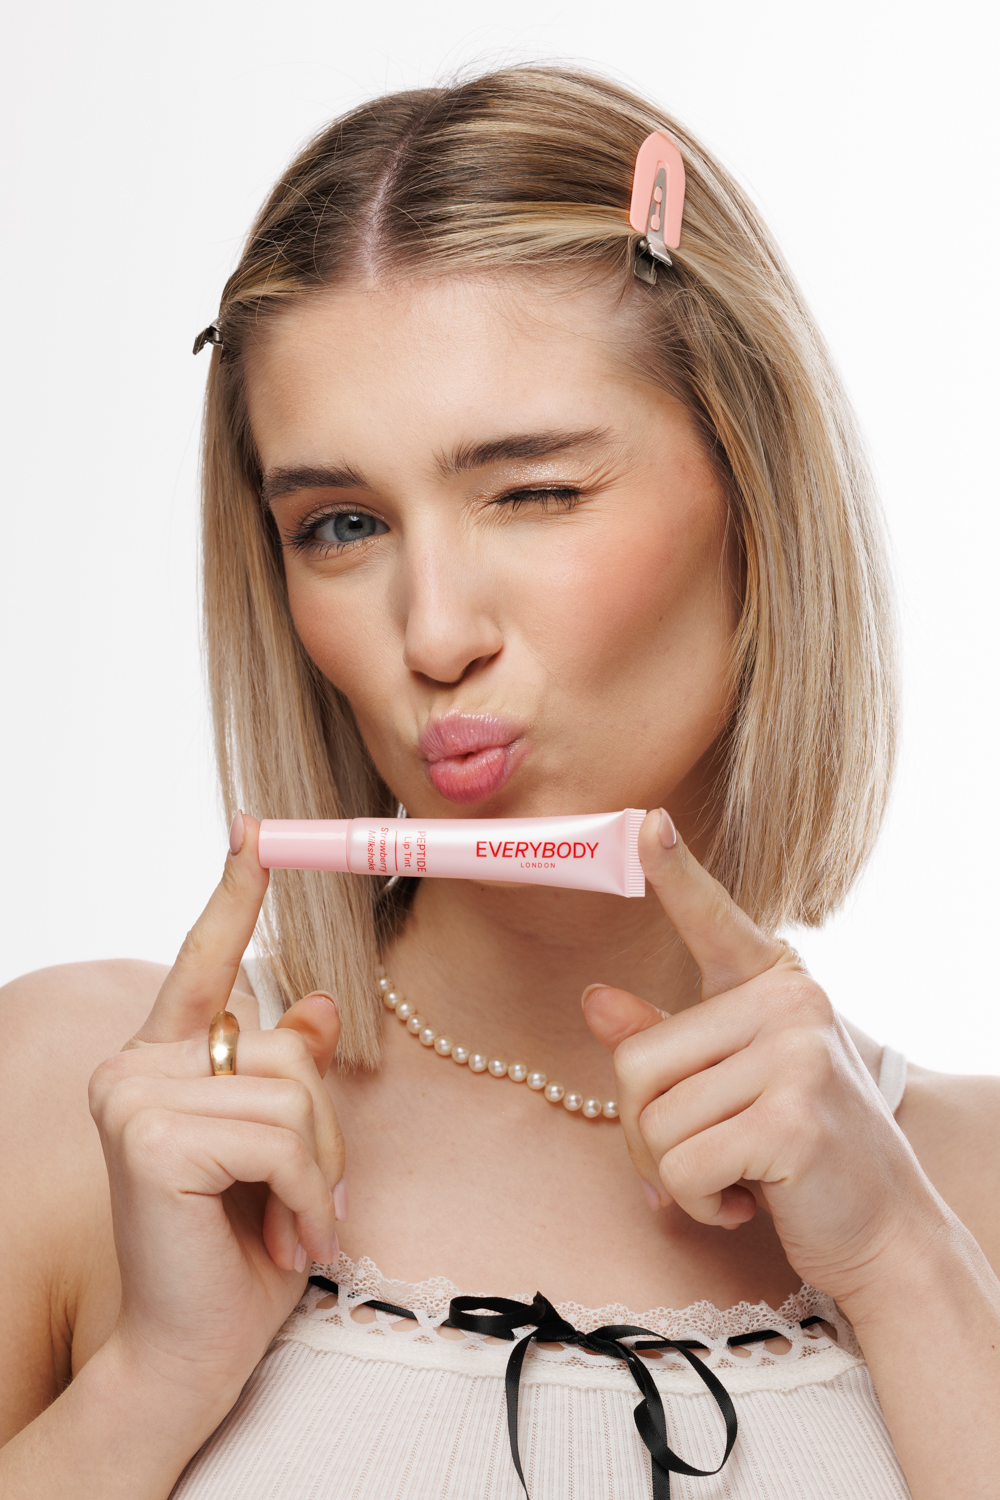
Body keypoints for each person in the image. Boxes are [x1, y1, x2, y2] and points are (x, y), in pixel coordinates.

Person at [1, 64, 997, 1500]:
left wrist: (902, 1263)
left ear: (757, 493)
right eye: (341, 524)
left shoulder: (972, 1192)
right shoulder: (85, 1107)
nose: (434, 633)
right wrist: (153, 1381)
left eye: (534, 492)